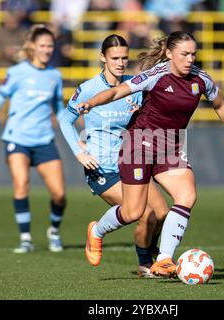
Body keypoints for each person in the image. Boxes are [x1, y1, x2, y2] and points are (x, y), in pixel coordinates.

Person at [77, 31, 224, 277]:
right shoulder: (156, 75)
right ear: (170, 54)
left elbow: (220, 104)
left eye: (193, 54)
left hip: (170, 146)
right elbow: (119, 92)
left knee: (187, 195)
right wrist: (93, 102)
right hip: (138, 144)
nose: (190, 59)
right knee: (133, 212)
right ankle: (97, 231)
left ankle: (163, 259)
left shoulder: (201, 79)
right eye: (184, 54)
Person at [60, 34, 169, 277]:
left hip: (131, 161)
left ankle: (151, 252)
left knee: (161, 213)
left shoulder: (133, 86)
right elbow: (64, 120)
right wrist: (79, 152)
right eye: (115, 58)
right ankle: (139, 261)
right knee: (143, 213)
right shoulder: (88, 89)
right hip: (102, 168)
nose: (120, 63)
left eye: (124, 58)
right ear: (103, 58)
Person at [0, 25, 67, 254]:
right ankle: (26, 237)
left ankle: (54, 232)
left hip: (44, 140)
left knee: (59, 194)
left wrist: (76, 137)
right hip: (16, 139)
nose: (47, 50)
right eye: (42, 45)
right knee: (21, 184)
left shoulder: (55, 75)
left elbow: (59, 110)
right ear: (32, 47)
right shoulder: (17, 73)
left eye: (50, 45)